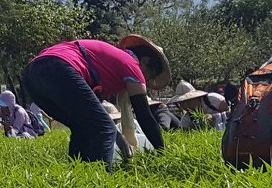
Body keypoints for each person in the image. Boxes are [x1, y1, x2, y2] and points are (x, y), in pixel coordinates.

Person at [20, 34, 173, 168]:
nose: (144, 80)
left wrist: (122, 141)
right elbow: (144, 115)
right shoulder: (131, 65)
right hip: (58, 66)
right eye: (148, 75)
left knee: (83, 128)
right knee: (103, 130)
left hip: (32, 75)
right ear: (145, 61)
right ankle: (99, 186)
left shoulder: (107, 64)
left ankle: (79, 179)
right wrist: (162, 154)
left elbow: (98, 117)